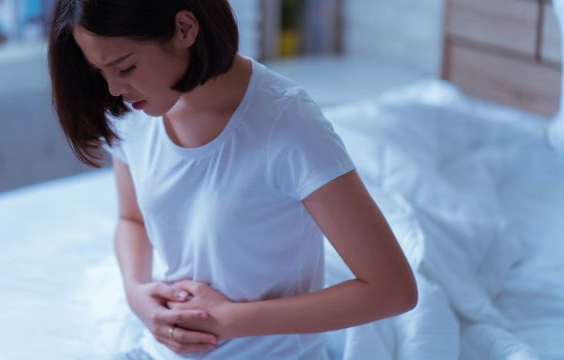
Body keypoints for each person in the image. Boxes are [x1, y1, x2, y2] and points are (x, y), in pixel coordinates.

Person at [47, 0, 417, 359]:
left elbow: (392, 289)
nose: (113, 90)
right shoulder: (135, 110)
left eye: (125, 67)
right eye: (100, 71)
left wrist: (230, 321)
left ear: (184, 29)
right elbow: (132, 220)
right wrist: (136, 293)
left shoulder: (287, 125)